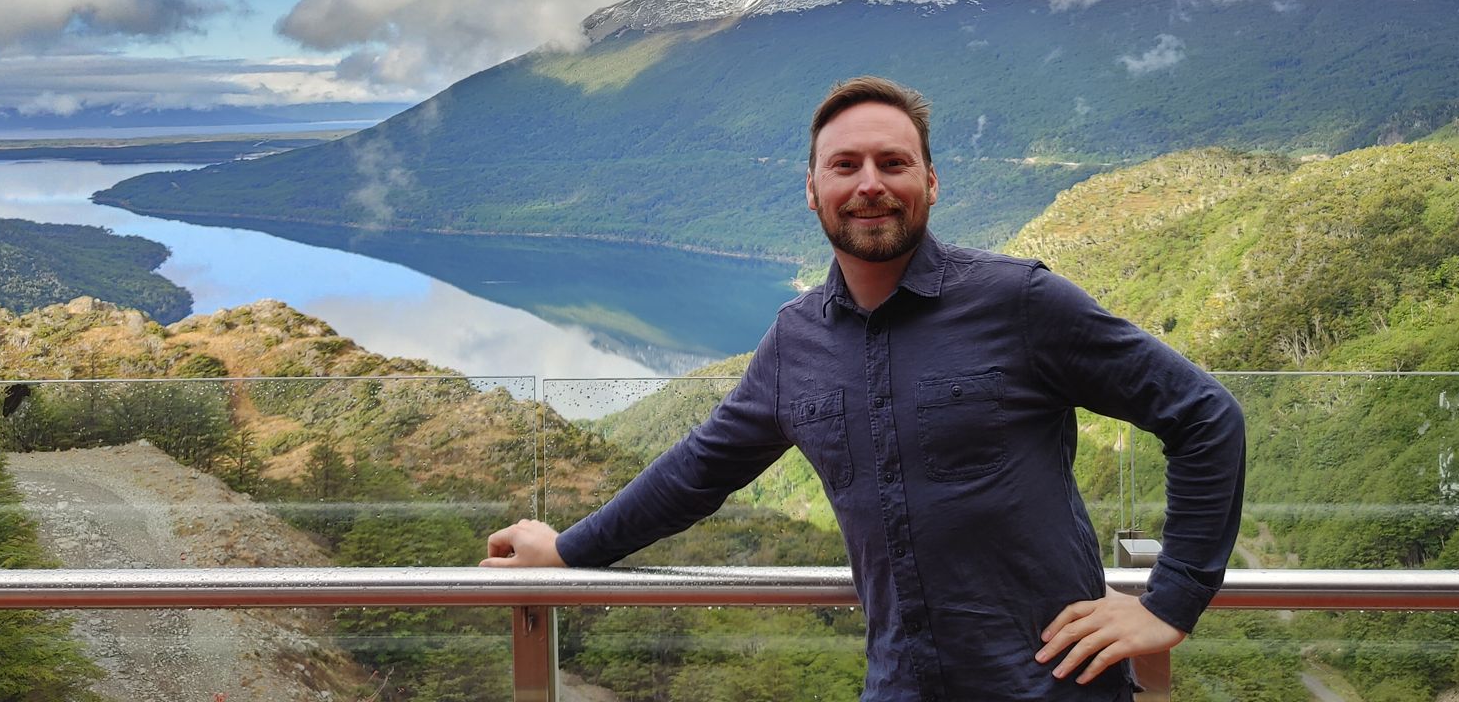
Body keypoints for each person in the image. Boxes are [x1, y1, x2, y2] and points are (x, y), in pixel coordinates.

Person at [485, 76, 1246, 701]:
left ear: (932, 182)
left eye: (894, 163)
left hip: (1054, 687)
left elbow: (1205, 417)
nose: (870, 185)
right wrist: (568, 549)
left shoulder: (1022, 302)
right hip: (899, 687)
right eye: (845, 166)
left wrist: (1170, 601)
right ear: (812, 190)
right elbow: (697, 471)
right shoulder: (795, 341)